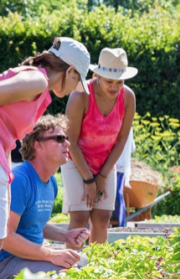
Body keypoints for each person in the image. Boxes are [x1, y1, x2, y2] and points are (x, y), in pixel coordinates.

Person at [0, 36, 90, 252]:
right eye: (78, 81)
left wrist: (6, 175)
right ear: (69, 72)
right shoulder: (38, 81)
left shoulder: (37, 84)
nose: (75, 89)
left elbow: (7, 135)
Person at [61, 47, 137, 247]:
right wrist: (88, 179)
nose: (115, 87)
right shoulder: (80, 96)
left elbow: (121, 140)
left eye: (119, 82)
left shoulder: (128, 98)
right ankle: (72, 268)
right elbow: (72, 141)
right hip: (76, 159)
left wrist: (102, 176)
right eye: (109, 82)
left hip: (105, 162)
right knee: (79, 217)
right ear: (96, 76)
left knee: (103, 217)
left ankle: (97, 269)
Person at [0, 114, 90, 279]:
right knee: (67, 273)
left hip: (29, 258)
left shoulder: (51, 183)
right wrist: (51, 254)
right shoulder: (20, 180)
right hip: (5, 262)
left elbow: (32, 223)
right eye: (59, 138)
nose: (67, 143)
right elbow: (6, 237)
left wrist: (65, 235)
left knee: (85, 263)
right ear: (38, 145)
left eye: (66, 138)